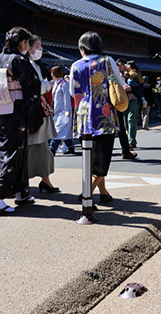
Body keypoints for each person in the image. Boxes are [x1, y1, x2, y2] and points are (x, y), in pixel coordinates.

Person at [0, 27, 43, 216]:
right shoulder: (19, 60)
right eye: (27, 43)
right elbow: (33, 85)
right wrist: (30, 109)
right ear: (23, 43)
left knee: (13, 150)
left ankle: (22, 193)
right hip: (15, 112)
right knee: (13, 152)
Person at [70, 31, 126, 204]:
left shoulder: (75, 65)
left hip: (83, 117)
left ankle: (104, 193)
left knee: (90, 159)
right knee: (102, 160)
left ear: (82, 47)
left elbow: (73, 92)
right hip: (104, 116)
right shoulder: (107, 61)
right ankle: (86, 194)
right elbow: (118, 80)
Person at [25, 35, 59, 193]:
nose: (40, 49)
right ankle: (44, 181)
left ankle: (45, 181)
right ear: (29, 48)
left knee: (41, 147)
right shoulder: (28, 65)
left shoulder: (31, 65)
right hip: (34, 113)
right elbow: (36, 88)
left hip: (35, 113)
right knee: (38, 147)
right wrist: (49, 84)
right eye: (38, 46)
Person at [49, 66, 75, 155]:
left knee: (58, 130)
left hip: (64, 111)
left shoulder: (64, 84)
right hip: (57, 110)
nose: (51, 75)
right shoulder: (56, 83)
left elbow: (66, 98)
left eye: (52, 73)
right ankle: (71, 147)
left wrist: (68, 110)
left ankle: (52, 149)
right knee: (64, 131)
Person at [114, 58, 136, 159]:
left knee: (125, 123)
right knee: (121, 126)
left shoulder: (130, 73)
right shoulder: (115, 74)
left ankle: (129, 145)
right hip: (118, 101)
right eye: (118, 65)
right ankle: (126, 151)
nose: (120, 67)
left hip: (128, 100)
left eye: (121, 65)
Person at [124, 60, 144, 150]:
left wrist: (131, 89)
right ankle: (128, 140)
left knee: (131, 119)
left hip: (133, 98)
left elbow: (140, 85)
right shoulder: (118, 74)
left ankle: (131, 141)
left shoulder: (133, 72)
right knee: (125, 122)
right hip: (123, 100)